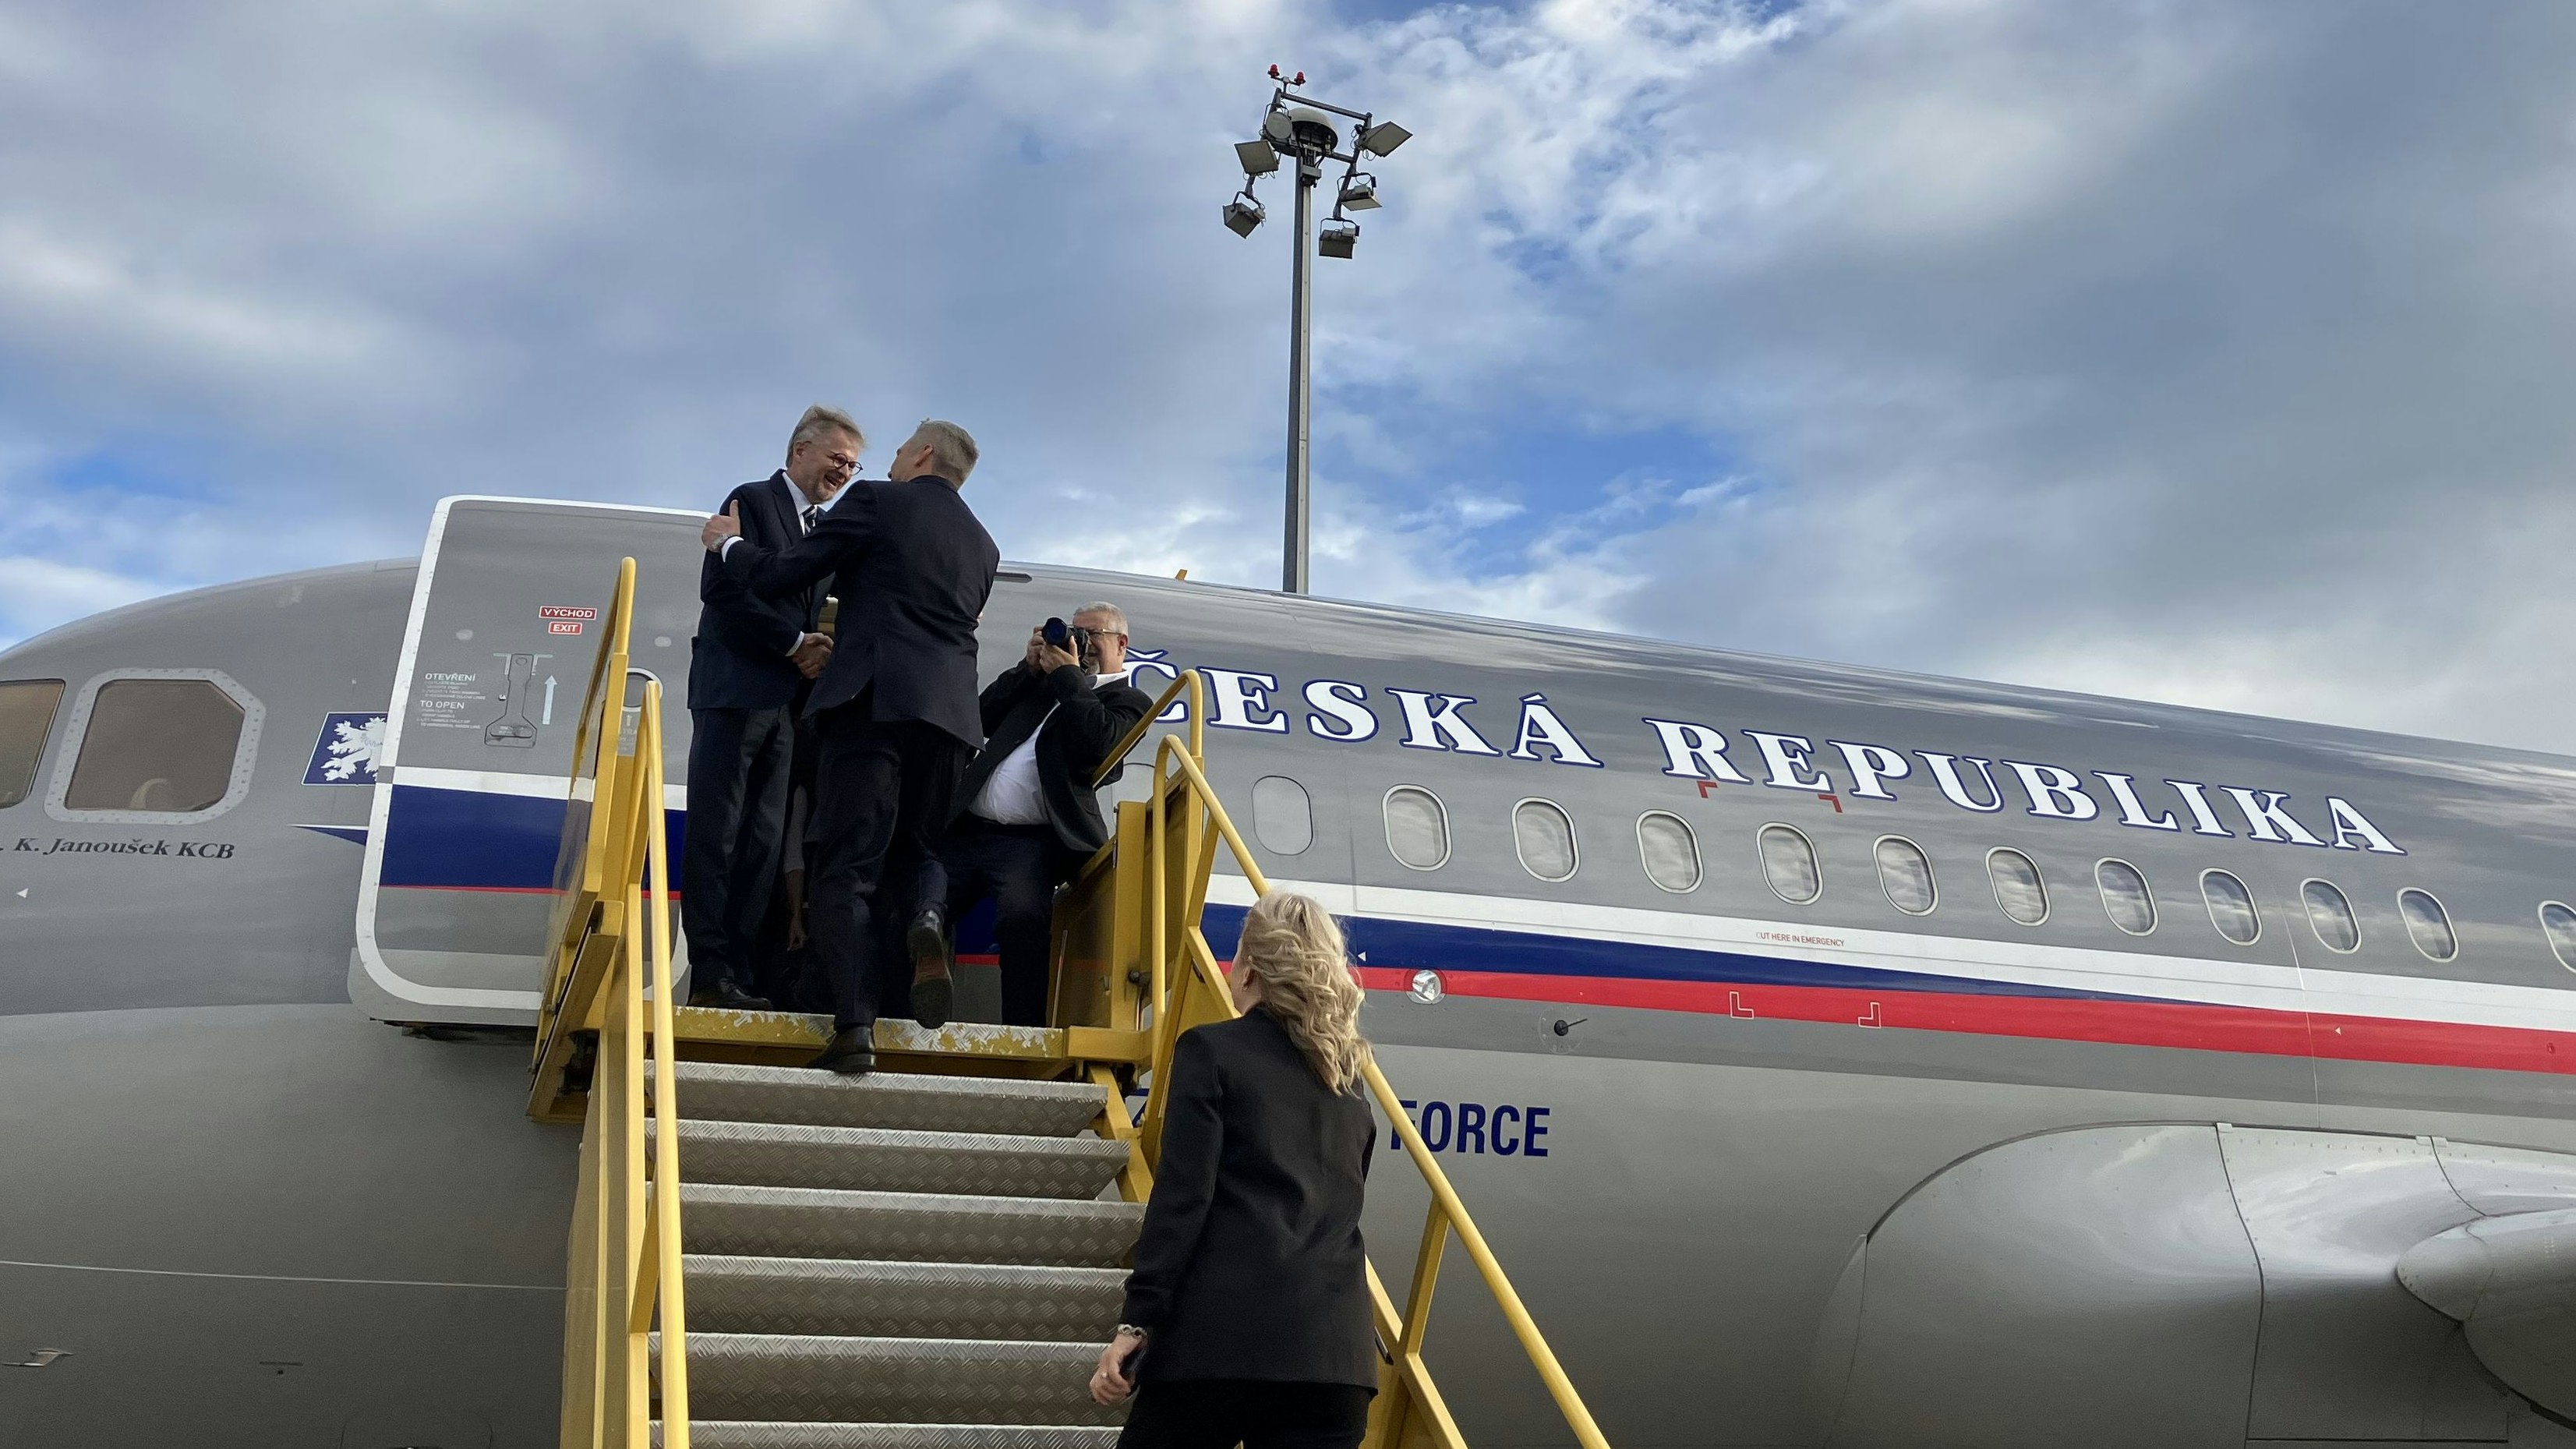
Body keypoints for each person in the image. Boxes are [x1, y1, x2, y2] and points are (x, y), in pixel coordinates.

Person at [701, 419, 998, 1075]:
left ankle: (854, 1027)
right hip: (951, 719)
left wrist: (729, 547)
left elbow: (786, 573)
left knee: (846, 870)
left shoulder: (878, 503)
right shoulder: (985, 545)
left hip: (875, 706)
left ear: (922, 454)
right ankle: (926, 913)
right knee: (919, 851)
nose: (885, 464)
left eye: (895, 452)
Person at [1090, 892, 1380, 1449]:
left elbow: (1183, 1199)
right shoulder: (1348, 1079)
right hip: (1334, 1359)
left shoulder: (1211, 1051)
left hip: (1218, 1346)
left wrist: (1137, 1322)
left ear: (1248, 971)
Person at [680, 405, 856, 1010]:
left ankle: (741, 973)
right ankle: (709, 970)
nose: (844, 471)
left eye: (854, 466)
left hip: (782, 706)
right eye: (837, 458)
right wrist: (793, 645)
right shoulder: (752, 501)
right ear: (800, 450)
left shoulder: (820, 531)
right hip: (735, 689)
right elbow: (723, 588)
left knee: (761, 841)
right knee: (718, 831)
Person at [906, 603, 1154, 1028]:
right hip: (969, 830)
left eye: (1091, 634)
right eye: (1075, 632)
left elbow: (1096, 746)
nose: (1082, 642)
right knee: (914, 908)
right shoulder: (1046, 686)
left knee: (1023, 920)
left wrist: (1067, 676)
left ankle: (1022, 1034)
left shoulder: (1129, 700)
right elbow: (980, 717)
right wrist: (1028, 669)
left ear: (1121, 643)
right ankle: (901, 1010)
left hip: (1029, 844)